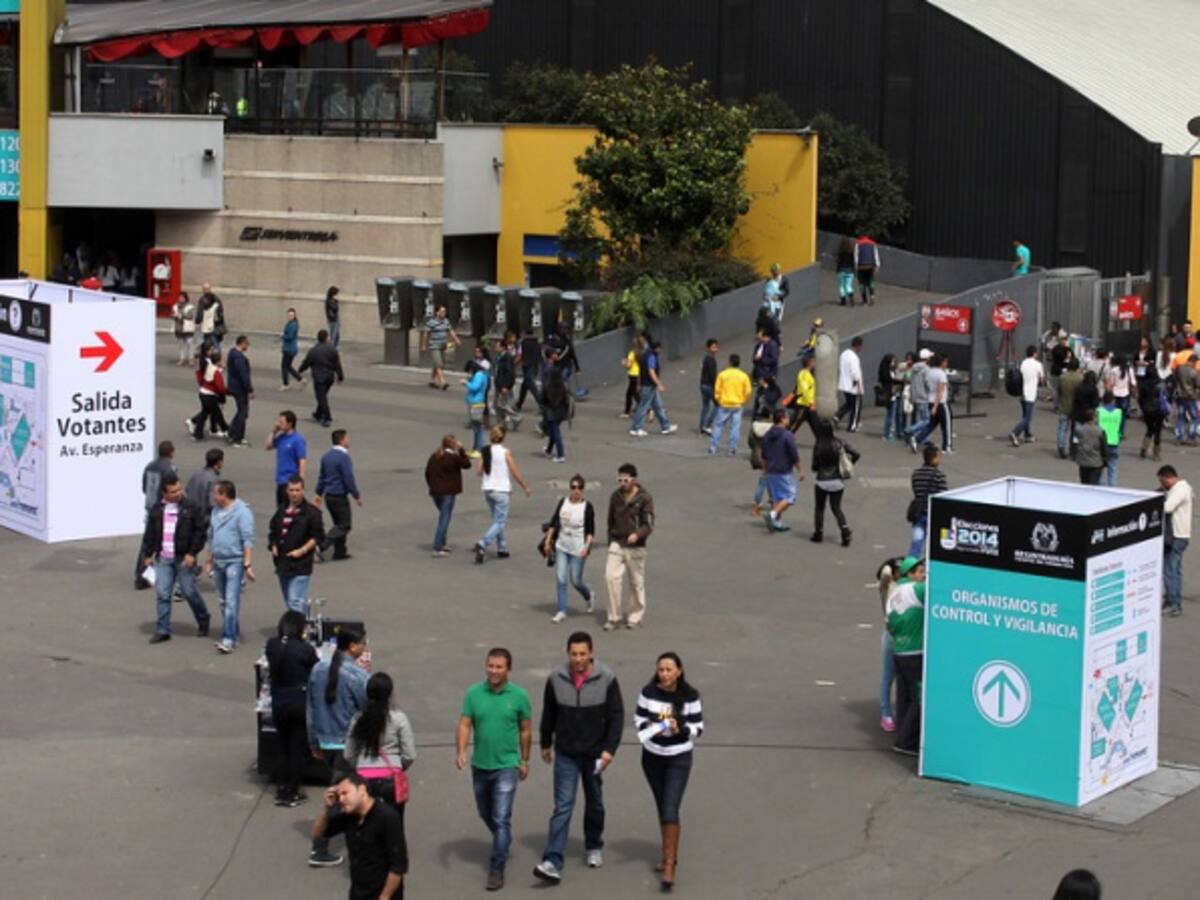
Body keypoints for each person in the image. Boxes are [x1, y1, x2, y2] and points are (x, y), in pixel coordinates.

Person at [533, 632, 624, 884]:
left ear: (591, 653)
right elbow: (549, 712)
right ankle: (552, 860)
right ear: (568, 654)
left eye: (583, 654)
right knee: (563, 806)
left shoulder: (606, 678)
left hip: (595, 754)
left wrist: (609, 750)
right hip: (566, 753)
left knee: (595, 803)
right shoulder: (556, 678)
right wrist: (545, 743)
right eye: (574, 654)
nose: (578, 659)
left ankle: (593, 845)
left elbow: (616, 716)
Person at [457, 648, 532, 892]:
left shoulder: (519, 696)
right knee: (485, 812)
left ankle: (497, 868)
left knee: (501, 817)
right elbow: (465, 724)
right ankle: (503, 837)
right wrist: (461, 751)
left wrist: (524, 760)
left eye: (499, 667)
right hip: (480, 764)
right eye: (490, 666)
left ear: (509, 669)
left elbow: (525, 730)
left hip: (507, 765)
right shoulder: (473, 693)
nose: (494, 671)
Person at [634, 652, 703, 891]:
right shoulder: (648, 692)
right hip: (652, 757)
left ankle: (670, 865)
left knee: (670, 806)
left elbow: (698, 727)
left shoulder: (690, 696)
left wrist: (680, 728)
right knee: (662, 804)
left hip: (678, 757)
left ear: (679, 671)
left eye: (669, 670)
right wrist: (651, 726)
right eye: (661, 670)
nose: (664, 674)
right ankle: (667, 854)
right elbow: (638, 720)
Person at [308, 626, 370, 867]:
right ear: (353, 647)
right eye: (363, 643)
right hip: (348, 744)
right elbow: (367, 711)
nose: (365, 647)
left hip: (326, 741)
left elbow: (310, 708)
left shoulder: (318, 669)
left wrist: (313, 740)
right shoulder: (358, 676)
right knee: (341, 796)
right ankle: (320, 847)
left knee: (342, 791)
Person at [310, 773, 407, 899]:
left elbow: (398, 867)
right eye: (339, 795)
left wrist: (384, 897)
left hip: (382, 893)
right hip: (358, 892)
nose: (341, 799)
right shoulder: (349, 816)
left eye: (345, 793)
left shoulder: (387, 817)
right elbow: (318, 833)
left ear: (361, 790)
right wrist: (328, 809)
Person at [142, 472, 211, 644]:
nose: (178, 494)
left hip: (183, 557)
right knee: (163, 594)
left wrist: (192, 553)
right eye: (173, 492)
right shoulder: (157, 509)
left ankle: (203, 618)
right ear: (164, 493)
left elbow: (200, 532)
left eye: (179, 489)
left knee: (189, 591)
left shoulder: (191, 507)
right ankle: (163, 629)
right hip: (163, 558)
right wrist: (148, 554)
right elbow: (150, 533)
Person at [343, 672, 416, 828]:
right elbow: (409, 754)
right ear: (390, 693)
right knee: (394, 825)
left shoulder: (358, 718)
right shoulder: (399, 718)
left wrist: (360, 765)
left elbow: (348, 754)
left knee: (365, 826)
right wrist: (399, 765)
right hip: (391, 779)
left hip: (363, 780)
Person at [265, 610, 318, 807]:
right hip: (298, 701)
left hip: (278, 700)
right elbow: (316, 668)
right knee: (297, 747)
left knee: (283, 746)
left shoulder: (272, 645)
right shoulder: (305, 649)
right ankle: (293, 791)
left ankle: (281, 788)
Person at [205, 479, 256, 653]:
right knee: (222, 600)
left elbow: (247, 539)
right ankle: (233, 633)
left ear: (224, 495)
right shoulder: (215, 511)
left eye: (215, 493)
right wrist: (209, 560)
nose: (212, 496)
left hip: (234, 561)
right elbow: (211, 537)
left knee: (231, 601)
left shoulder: (242, 512)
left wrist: (247, 563)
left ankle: (228, 638)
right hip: (218, 561)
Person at [604, 463, 655, 630]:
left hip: (636, 546)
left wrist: (637, 534)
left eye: (625, 480)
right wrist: (611, 540)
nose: (622, 483)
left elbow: (648, 525)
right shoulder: (615, 496)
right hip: (618, 543)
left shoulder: (644, 498)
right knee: (610, 578)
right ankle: (614, 618)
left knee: (636, 583)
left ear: (634, 479)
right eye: (619, 480)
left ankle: (634, 617)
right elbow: (610, 520)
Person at [474, 426, 532, 564]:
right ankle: (483, 543)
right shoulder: (505, 452)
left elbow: (479, 472)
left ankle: (502, 547)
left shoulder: (485, 451)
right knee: (500, 522)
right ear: (503, 437)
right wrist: (525, 486)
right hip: (501, 490)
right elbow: (514, 471)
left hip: (488, 489)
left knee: (497, 521)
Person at [886, 556, 926, 756]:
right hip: (914, 653)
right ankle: (906, 742)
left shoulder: (894, 593)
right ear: (909, 574)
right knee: (920, 698)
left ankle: (902, 732)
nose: (924, 575)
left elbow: (889, 626)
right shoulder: (916, 589)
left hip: (899, 651)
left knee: (905, 697)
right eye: (920, 572)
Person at [543, 475, 596, 623]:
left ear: (583, 490)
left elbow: (590, 531)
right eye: (573, 487)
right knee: (561, 578)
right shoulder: (563, 503)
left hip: (578, 548)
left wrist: (587, 547)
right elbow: (553, 523)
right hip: (562, 546)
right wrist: (547, 541)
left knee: (575, 580)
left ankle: (588, 595)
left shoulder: (587, 507)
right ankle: (562, 610)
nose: (576, 491)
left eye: (579, 488)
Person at [268, 476, 323, 613]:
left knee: (295, 601)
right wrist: (273, 545)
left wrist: (302, 550)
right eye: (291, 490)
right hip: (283, 563)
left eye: (297, 490)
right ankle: (306, 621)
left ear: (303, 490)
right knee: (290, 600)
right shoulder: (282, 510)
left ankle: (299, 625)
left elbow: (317, 536)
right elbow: (273, 530)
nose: (294, 493)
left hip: (301, 564)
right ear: (287, 491)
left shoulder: (311, 513)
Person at [810, 417, 859, 546]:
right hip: (837, 480)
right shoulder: (840, 443)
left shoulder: (818, 446)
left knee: (820, 508)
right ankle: (845, 530)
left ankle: (818, 533)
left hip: (822, 481)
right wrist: (849, 463)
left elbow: (814, 467)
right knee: (836, 508)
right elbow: (856, 453)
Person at [315, 429, 362, 562]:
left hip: (329, 496)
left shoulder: (326, 456)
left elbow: (322, 477)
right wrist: (356, 495)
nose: (348, 440)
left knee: (338, 523)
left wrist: (318, 493)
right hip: (339, 495)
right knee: (344, 525)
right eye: (347, 438)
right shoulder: (344, 457)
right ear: (342, 440)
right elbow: (348, 478)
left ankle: (340, 551)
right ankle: (323, 545)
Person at [137, 441, 177, 589]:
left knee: (148, 541)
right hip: (163, 508)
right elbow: (171, 489)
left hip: (150, 506)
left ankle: (142, 575)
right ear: (171, 452)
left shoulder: (149, 466)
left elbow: (144, 487)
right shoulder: (170, 468)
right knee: (169, 540)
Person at [425, 434, 471, 557]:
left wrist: (432, 485)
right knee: (444, 519)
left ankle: (443, 543)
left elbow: (427, 473)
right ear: (453, 445)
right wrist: (462, 450)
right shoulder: (454, 457)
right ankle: (437, 547)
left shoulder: (435, 456)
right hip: (448, 492)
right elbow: (467, 464)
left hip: (435, 492)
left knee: (443, 516)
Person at [761, 408, 804, 532]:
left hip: (771, 470)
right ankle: (772, 515)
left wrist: (764, 469)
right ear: (782, 419)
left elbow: (764, 455)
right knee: (790, 496)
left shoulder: (767, 435)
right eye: (787, 417)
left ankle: (777, 522)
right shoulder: (787, 436)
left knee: (777, 497)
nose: (789, 419)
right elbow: (794, 455)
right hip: (783, 470)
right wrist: (800, 470)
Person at [1160, 465, 1193, 617]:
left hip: (1176, 536)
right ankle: (1175, 600)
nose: (1162, 484)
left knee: (1169, 570)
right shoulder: (1183, 487)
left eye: (1162, 481)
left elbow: (1167, 507)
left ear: (1168, 478)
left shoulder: (1179, 490)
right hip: (1181, 536)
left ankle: (1172, 602)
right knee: (1175, 570)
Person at [875, 558, 903, 733]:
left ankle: (899, 712)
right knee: (888, 676)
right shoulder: (888, 586)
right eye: (898, 570)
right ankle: (886, 713)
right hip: (892, 636)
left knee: (902, 678)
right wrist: (887, 566)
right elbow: (884, 574)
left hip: (904, 637)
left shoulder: (907, 586)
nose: (901, 573)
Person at [629, 338, 678, 437]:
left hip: (646, 385)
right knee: (644, 407)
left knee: (658, 406)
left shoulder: (642, 356)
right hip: (649, 386)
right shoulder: (651, 356)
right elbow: (651, 372)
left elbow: (640, 372)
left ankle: (665, 426)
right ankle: (636, 428)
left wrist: (639, 384)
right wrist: (659, 384)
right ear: (657, 348)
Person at [708, 353, 752, 456]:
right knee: (735, 427)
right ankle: (731, 449)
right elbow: (748, 391)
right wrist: (743, 400)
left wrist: (719, 399)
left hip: (724, 403)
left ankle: (713, 447)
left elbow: (717, 389)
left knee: (718, 425)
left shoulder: (722, 374)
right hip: (737, 404)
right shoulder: (743, 376)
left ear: (730, 362)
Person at [298, 329, 344, 428]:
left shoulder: (314, 351)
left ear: (318, 338)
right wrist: (340, 376)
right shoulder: (332, 349)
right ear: (326, 338)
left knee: (321, 398)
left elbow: (307, 362)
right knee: (322, 396)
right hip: (329, 377)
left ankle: (327, 417)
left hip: (319, 378)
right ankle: (318, 414)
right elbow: (337, 364)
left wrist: (300, 370)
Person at [908, 444, 947, 557]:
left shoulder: (916, 474)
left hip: (919, 513)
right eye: (938, 457)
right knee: (935, 546)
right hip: (934, 515)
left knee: (916, 545)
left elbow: (916, 491)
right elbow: (943, 495)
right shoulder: (939, 475)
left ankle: (911, 565)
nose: (940, 459)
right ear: (934, 458)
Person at [909, 354, 952, 454]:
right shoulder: (941, 374)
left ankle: (917, 439)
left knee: (931, 424)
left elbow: (929, 387)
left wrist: (933, 406)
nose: (946, 363)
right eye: (945, 362)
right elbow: (939, 391)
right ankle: (946, 447)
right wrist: (936, 406)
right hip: (940, 403)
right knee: (946, 425)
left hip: (930, 401)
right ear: (941, 362)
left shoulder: (929, 373)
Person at [266, 410, 307, 508]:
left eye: (281, 422)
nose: (278, 424)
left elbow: (302, 461)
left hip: (290, 481)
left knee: (289, 509)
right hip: (280, 480)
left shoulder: (298, 440)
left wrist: (301, 482)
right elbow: (268, 446)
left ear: (290, 424)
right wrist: (273, 432)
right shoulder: (281, 437)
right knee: (280, 509)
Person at [186, 348, 228, 440]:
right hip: (210, 395)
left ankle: (197, 433)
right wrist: (227, 392)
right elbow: (220, 387)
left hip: (203, 393)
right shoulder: (216, 372)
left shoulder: (210, 367)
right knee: (218, 414)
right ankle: (226, 430)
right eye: (221, 360)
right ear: (218, 361)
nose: (223, 361)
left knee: (205, 413)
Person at [1009, 344, 1045, 447]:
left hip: (1022, 393)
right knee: (1028, 418)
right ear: (1034, 353)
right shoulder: (1038, 365)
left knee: (1025, 415)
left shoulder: (1023, 363)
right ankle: (1015, 433)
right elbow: (1042, 380)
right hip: (1031, 394)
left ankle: (1027, 435)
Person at [225, 334, 254, 447]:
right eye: (247, 343)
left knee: (241, 411)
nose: (248, 346)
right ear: (242, 343)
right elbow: (243, 375)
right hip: (240, 388)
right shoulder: (239, 358)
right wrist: (250, 389)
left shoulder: (232, 353)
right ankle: (237, 437)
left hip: (234, 386)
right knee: (243, 412)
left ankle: (231, 431)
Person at [541, 352, 571, 462]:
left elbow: (545, 394)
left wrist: (543, 403)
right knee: (554, 430)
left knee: (555, 431)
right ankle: (549, 450)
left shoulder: (550, 384)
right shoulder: (562, 384)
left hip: (552, 409)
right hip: (562, 408)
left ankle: (560, 454)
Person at [424, 305, 461, 390]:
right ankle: (443, 381)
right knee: (439, 364)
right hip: (434, 346)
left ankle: (432, 381)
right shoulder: (431, 322)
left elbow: (450, 331)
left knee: (437, 364)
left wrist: (456, 340)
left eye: (445, 311)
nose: (444, 313)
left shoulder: (446, 321)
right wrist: (424, 345)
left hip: (443, 346)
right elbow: (426, 334)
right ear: (437, 312)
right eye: (442, 311)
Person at [902, 349, 933, 444]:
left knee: (922, 418)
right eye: (930, 357)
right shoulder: (926, 369)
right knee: (926, 420)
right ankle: (910, 430)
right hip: (923, 396)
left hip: (916, 395)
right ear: (927, 358)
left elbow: (911, 381)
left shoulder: (914, 368)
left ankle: (923, 438)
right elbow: (928, 383)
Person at [835, 336, 864, 432]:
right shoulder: (854, 357)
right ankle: (853, 426)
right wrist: (859, 384)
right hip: (853, 386)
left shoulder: (844, 354)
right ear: (858, 346)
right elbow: (855, 372)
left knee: (849, 404)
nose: (861, 349)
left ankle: (837, 417)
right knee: (856, 407)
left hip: (844, 384)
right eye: (861, 346)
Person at [1138, 359, 1165, 462]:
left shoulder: (1143, 385)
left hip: (1147, 410)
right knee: (1158, 431)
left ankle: (1144, 448)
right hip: (1159, 410)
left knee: (1150, 429)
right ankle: (1156, 454)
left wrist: (1143, 408)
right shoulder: (1160, 384)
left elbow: (1140, 399)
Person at [750, 327, 781, 418]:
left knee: (766, 394)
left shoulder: (772, 345)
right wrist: (755, 359)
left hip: (768, 374)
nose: (757, 335)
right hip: (760, 374)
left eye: (759, 334)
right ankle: (763, 412)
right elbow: (754, 358)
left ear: (764, 336)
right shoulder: (759, 345)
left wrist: (761, 359)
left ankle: (769, 412)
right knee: (762, 393)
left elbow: (774, 360)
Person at [1057, 357, 1083, 458]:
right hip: (1076, 408)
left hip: (1064, 405)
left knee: (1062, 428)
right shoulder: (1080, 378)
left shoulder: (1062, 377)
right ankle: (1074, 449)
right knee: (1076, 429)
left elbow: (1059, 391)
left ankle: (1061, 446)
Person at [185, 448, 223, 515]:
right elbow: (212, 503)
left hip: (191, 513)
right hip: (204, 516)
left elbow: (187, 489)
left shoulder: (196, 474)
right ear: (219, 462)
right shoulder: (215, 479)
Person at [1074, 409, 1108, 485]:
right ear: (1094, 418)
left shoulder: (1079, 430)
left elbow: (1075, 442)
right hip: (1095, 461)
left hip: (1083, 461)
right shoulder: (1100, 431)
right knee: (1093, 485)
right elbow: (1103, 447)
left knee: (1084, 483)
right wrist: (1105, 460)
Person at [1097, 393, 1123, 486]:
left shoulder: (1098, 411)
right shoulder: (1118, 412)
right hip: (1114, 441)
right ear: (1113, 401)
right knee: (1112, 468)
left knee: (1099, 467)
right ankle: (1112, 487)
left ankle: (1100, 486)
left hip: (1101, 442)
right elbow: (1121, 428)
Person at [789, 353, 818, 436]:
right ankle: (781, 440)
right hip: (803, 405)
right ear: (810, 362)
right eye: (814, 361)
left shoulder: (808, 374)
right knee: (793, 427)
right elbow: (805, 390)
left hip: (807, 406)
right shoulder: (803, 374)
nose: (815, 363)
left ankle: (822, 441)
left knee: (817, 427)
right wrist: (811, 403)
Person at [1108, 353, 1135, 439]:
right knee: (1123, 415)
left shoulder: (1114, 370)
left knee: (1114, 414)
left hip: (1115, 394)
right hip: (1125, 394)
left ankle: (1113, 431)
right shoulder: (1129, 370)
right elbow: (1133, 383)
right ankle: (1120, 432)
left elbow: (1111, 383)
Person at [515, 327, 542, 412]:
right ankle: (519, 404)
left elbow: (520, 355)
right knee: (525, 385)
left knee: (532, 386)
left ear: (525, 333)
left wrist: (513, 363)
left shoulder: (523, 342)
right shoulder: (537, 342)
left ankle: (542, 404)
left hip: (527, 366)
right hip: (535, 365)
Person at [878, 352, 903, 441]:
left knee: (891, 414)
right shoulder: (886, 371)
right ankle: (887, 434)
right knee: (890, 415)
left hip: (893, 394)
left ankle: (888, 433)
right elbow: (890, 380)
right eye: (892, 361)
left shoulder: (890, 370)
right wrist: (900, 381)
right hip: (890, 395)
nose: (894, 363)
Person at [194, 283, 225, 354]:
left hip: (208, 324)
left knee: (210, 341)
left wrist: (197, 321)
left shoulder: (203, 299)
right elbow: (221, 311)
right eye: (205, 289)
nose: (206, 290)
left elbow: (200, 312)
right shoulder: (216, 298)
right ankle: (215, 356)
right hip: (216, 323)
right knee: (215, 340)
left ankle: (212, 356)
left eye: (206, 289)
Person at [280, 308, 305, 390]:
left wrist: (283, 335)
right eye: (289, 315)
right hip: (290, 348)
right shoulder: (291, 323)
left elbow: (290, 337)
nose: (290, 316)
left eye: (291, 315)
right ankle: (301, 379)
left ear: (294, 316)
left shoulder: (292, 325)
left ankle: (285, 384)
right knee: (288, 366)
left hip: (289, 349)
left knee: (284, 366)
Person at [698, 339, 719, 435]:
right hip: (709, 386)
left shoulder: (706, 358)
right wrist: (717, 387)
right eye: (713, 347)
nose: (715, 349)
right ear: (708, 348)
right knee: (718, 405)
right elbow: (713, 376)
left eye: (716, 347)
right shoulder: (711, 360)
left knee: (705, 406)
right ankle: (707, 425)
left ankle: (702, 427)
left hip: (703, 385)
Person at [172, 291, 197, 366]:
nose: (180, 299)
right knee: (181, 344)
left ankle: (191, 358)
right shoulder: (175, 306)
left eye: (182, 297)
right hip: (179, 327)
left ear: (185, 298)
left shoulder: (190, 307)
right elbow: (172, 315)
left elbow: (191, 316)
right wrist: (174, 316)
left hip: (187, 327)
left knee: (190, 343)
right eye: (180, 297)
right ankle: (182, 358)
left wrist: (181, 316)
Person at [854, 234, 880, 305]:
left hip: (861, 266)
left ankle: (864, 299)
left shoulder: (858, 244)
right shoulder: (873, 244)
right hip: (870, 266)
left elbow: (856, 256)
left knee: (861, 283)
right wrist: (877, 265)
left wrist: (856, 266)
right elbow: (876, 255)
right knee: (871, 281)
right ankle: (872, 297)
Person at [620, 337, 641, 419]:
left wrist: (624, 363)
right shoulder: (641, 352)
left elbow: (629, 365)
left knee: (630, 394)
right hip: (638, 375)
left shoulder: (632, 353)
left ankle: (627, 412)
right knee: (634, 393)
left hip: (633, 375)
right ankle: (646, 408)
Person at [835, 236, 856, 306]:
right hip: (850, 271)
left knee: (841, 286)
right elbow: (853, 262)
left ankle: (843, 301)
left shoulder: (840, 252)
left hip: (841, 270)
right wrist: (853, 270)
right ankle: (851, 298)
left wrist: (837, 270)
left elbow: (838, 262)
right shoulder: (851, 252)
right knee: (848, 285)